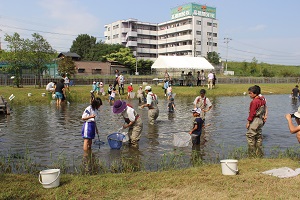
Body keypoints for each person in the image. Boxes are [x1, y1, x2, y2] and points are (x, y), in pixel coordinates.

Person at [246, 85, 267, 157]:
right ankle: (259, 152)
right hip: (260, 119)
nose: (249, 94)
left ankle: (251, 153)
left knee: (250, 136)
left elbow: (252, 113)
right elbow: (265, 107)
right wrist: (265, 116)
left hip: (255, 120)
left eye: (250, 93)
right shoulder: (262, 99)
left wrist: (248, 122)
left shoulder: (254, 102)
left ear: (255, 93)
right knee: (258, 136)